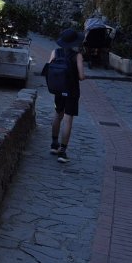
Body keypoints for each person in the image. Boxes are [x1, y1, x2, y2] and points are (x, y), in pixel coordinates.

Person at [48, 28, 86, 164]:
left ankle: (54, 144)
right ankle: (63, 152)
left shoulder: (55, 52)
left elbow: (50, 69)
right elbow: (81, 77)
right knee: (68, 119)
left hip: (58, 89)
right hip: (72, 91)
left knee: (58, 114)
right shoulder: (77, 56)